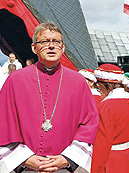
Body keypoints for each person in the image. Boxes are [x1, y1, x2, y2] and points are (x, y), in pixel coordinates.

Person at [0, 22, 99, 172]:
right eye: (45, 41)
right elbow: (4, 122)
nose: (51, 46)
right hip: (27, 168)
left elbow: (89, 123)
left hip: (63, 168)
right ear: (34, 48)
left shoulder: (78, 81)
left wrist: (67, 158)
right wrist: (24, 158)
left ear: (63, 47)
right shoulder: (15, 80)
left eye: (56, 42)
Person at [91, 64, 129, 172]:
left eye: (99, 86)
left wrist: (97, 170)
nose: (99, 90)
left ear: (108, 86)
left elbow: (102, 146)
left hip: (111, 163)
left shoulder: (105, 107)